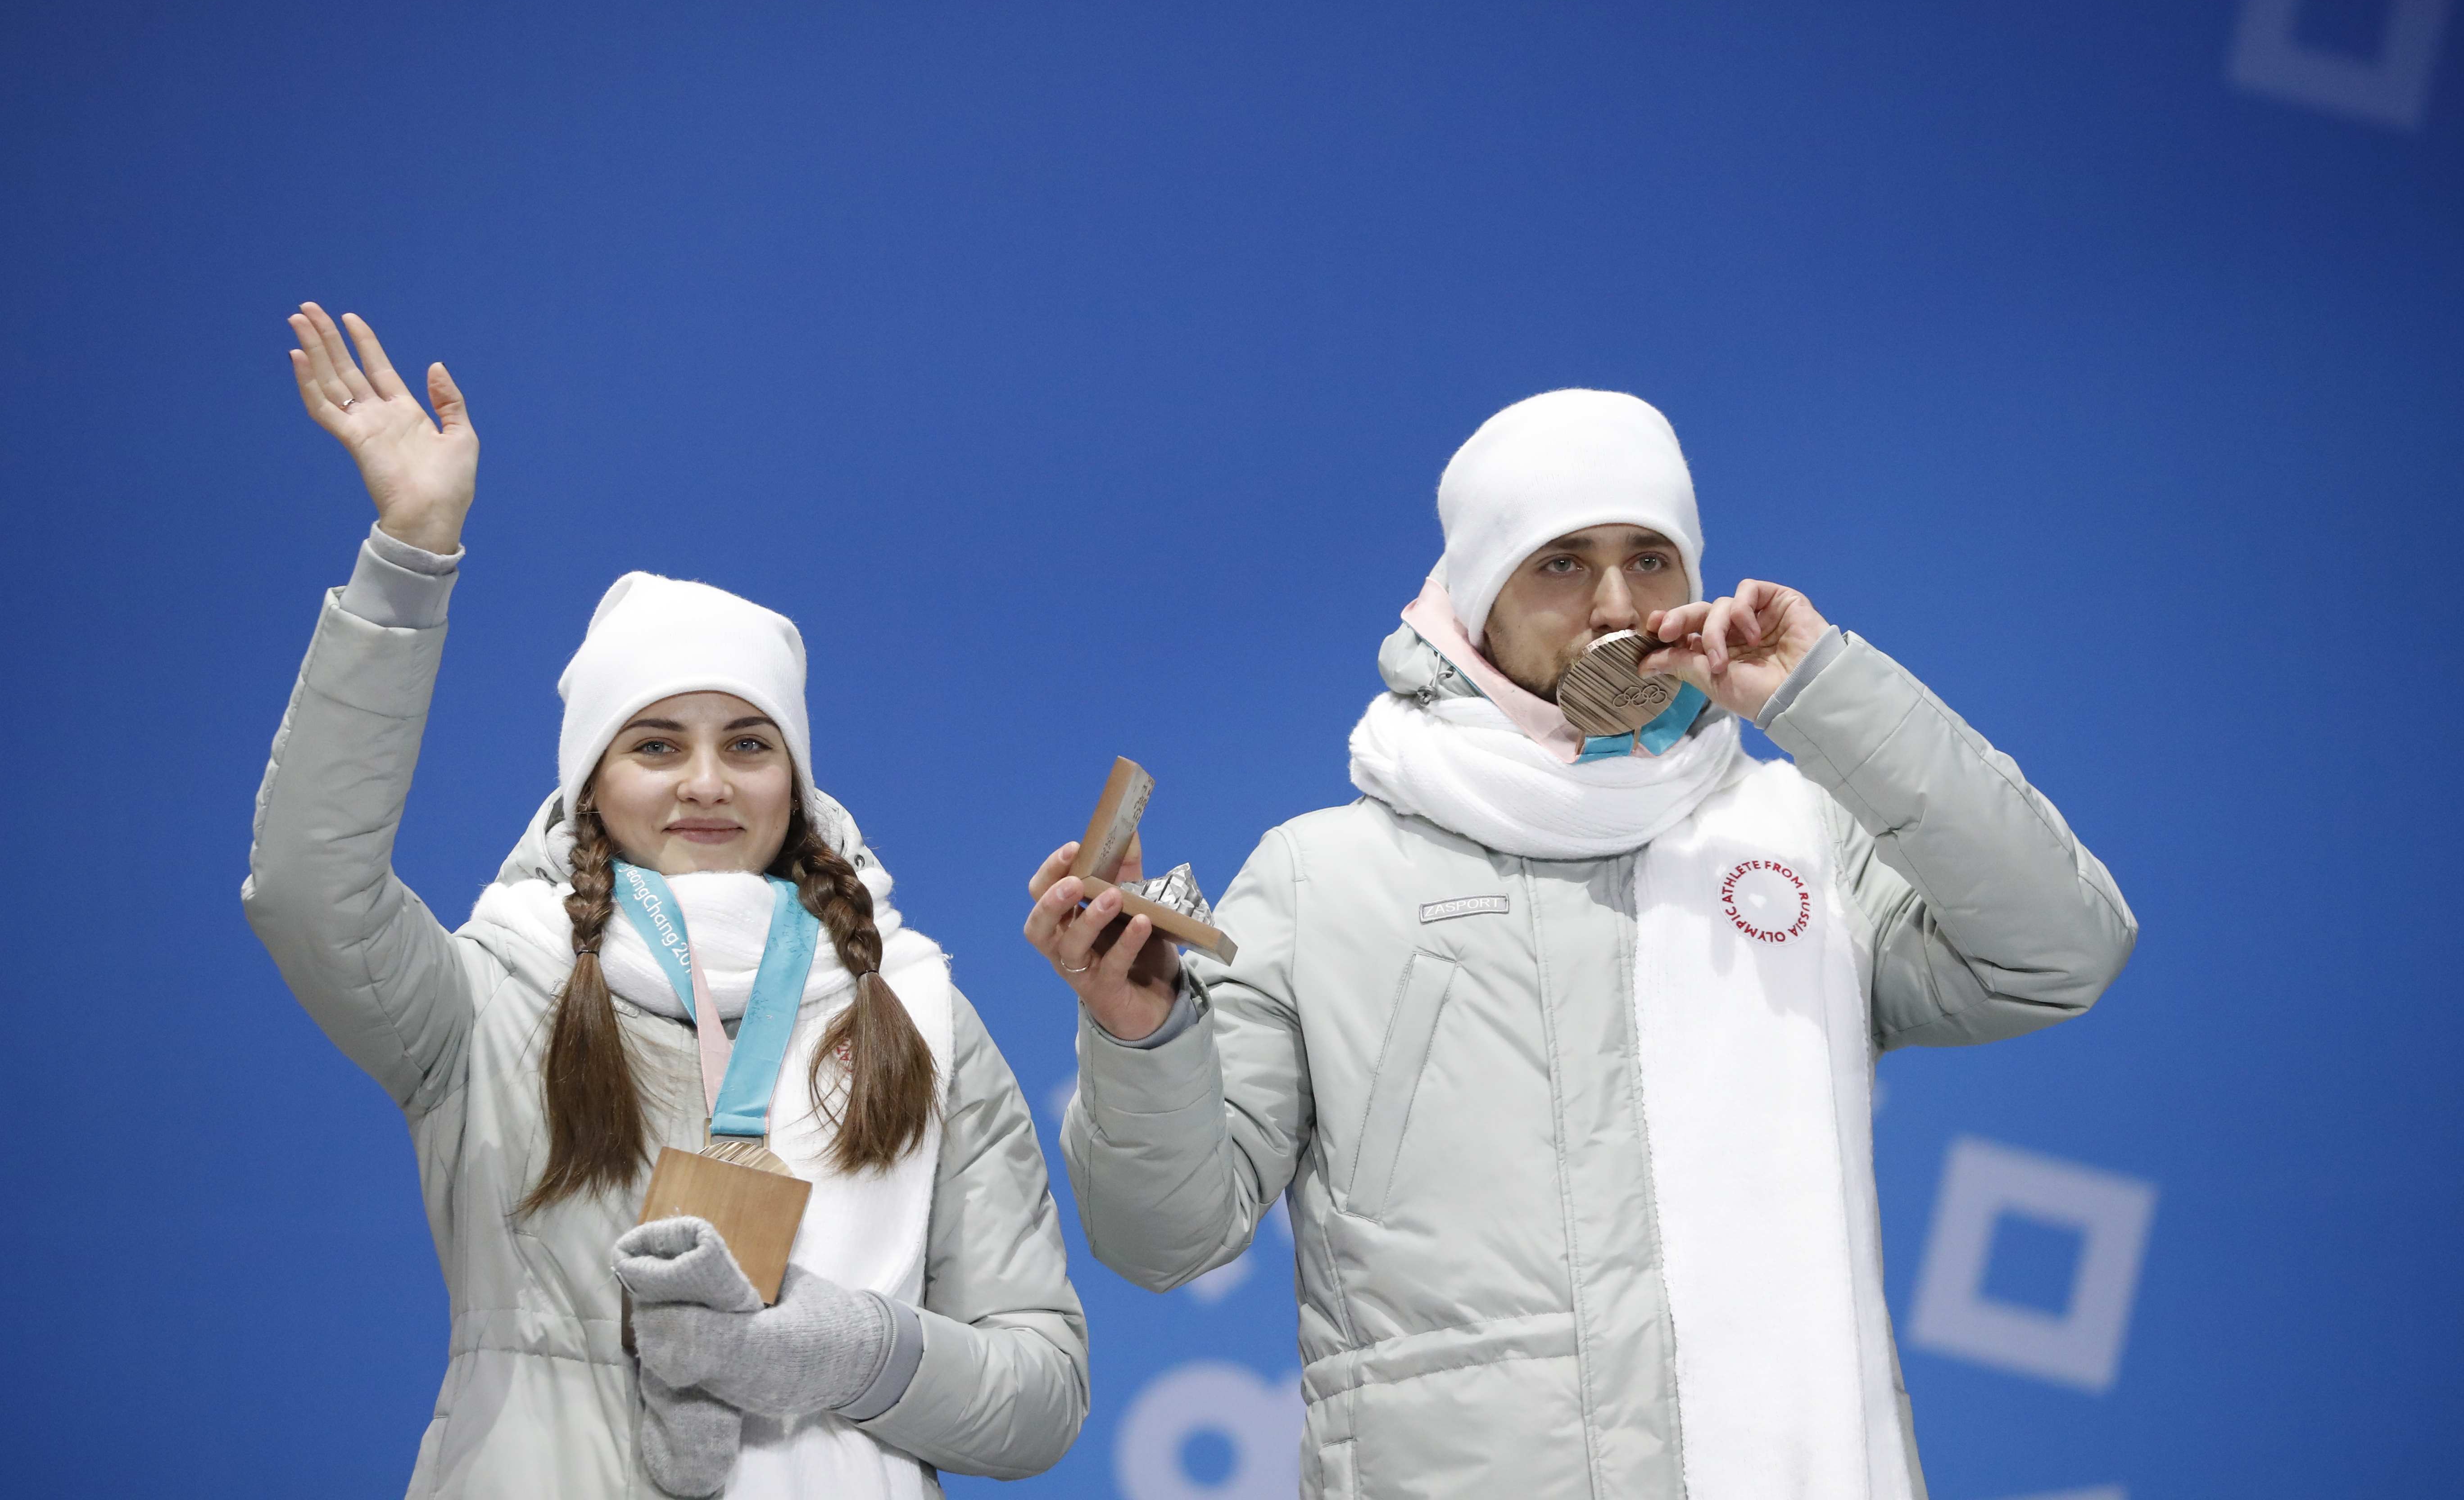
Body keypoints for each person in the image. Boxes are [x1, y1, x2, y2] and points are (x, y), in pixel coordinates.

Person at [1023, 389, 2136, 1499]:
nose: (1616, 603)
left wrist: (1824, 692)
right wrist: (1144, 1036)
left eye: (1651, 559)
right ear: (1475, 601)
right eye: (1561, 563)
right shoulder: (1325, 878)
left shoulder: (1802, 838)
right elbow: (1164, 1240)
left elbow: (2061, 951)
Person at [245, 304, 1085, 1500]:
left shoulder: (918, 1012)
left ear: (796, 778)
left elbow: (1041, 1398)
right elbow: (307, 890)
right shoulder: (489, 998)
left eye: (748, 743)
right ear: (589, 783)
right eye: (655, 745)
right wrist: (411, 556)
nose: (706, 783)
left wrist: (854, 1351)